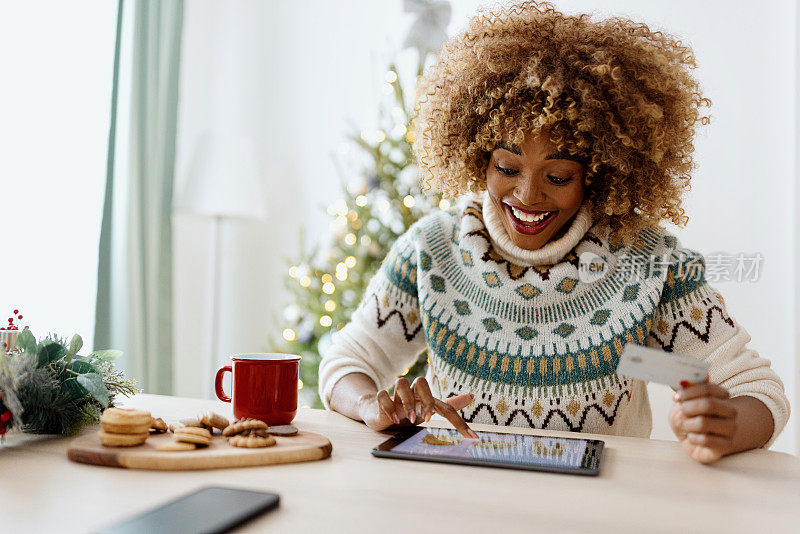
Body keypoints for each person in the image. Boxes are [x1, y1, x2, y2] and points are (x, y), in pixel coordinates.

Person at [318, 0, 790, 463]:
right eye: (506, 166)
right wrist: (369, 405)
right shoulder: (433, 251)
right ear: (478, 155)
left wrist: (725, 422)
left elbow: (757, 391)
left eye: (558, 176)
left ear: (599, 173)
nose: (527, 195)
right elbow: (347, 363)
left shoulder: (646, 265)